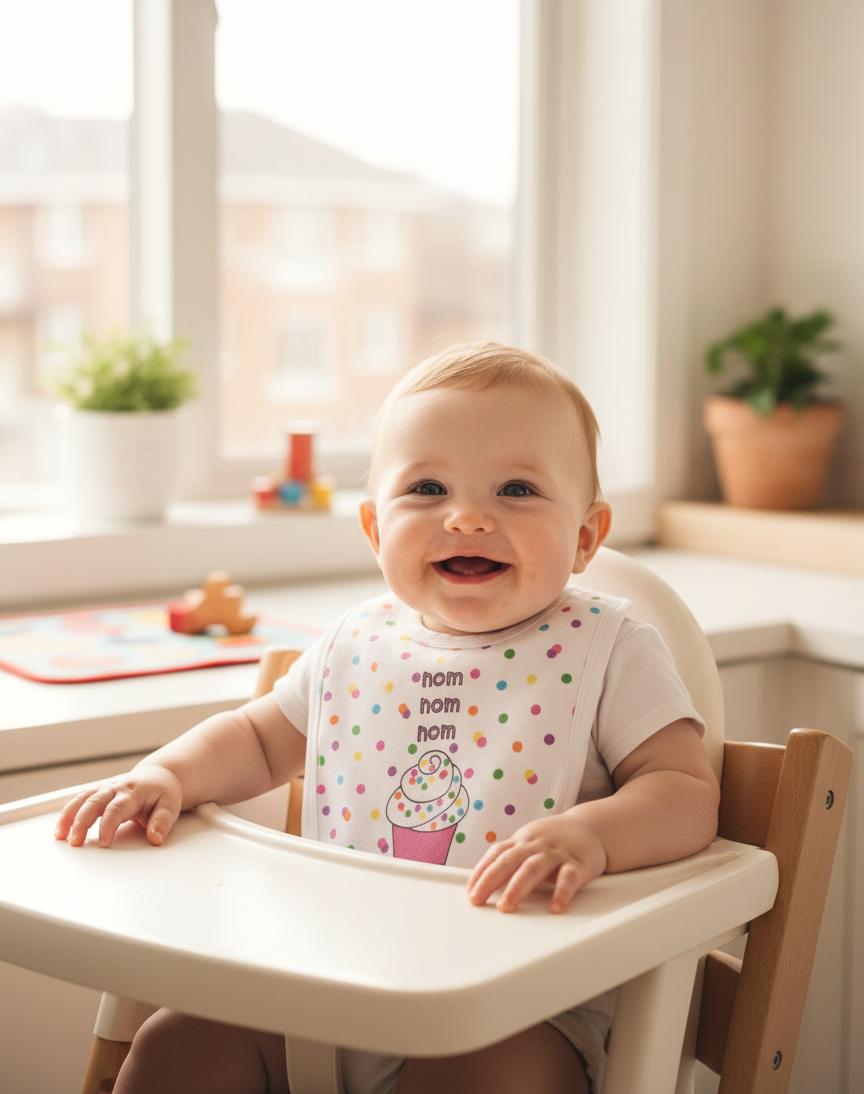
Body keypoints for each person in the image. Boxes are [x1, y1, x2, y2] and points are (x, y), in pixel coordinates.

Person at [55, 342, 720, 1094]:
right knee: (176, 1046)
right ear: (376, 532)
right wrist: (165, 774)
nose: (468, 517)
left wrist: (592, 835)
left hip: (515, 1009)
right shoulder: (354, 643)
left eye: (517, 490)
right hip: (323, 980)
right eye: (429, 487)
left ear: (586, 536)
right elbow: (254, 736)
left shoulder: (611, 647)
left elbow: (684, 790)